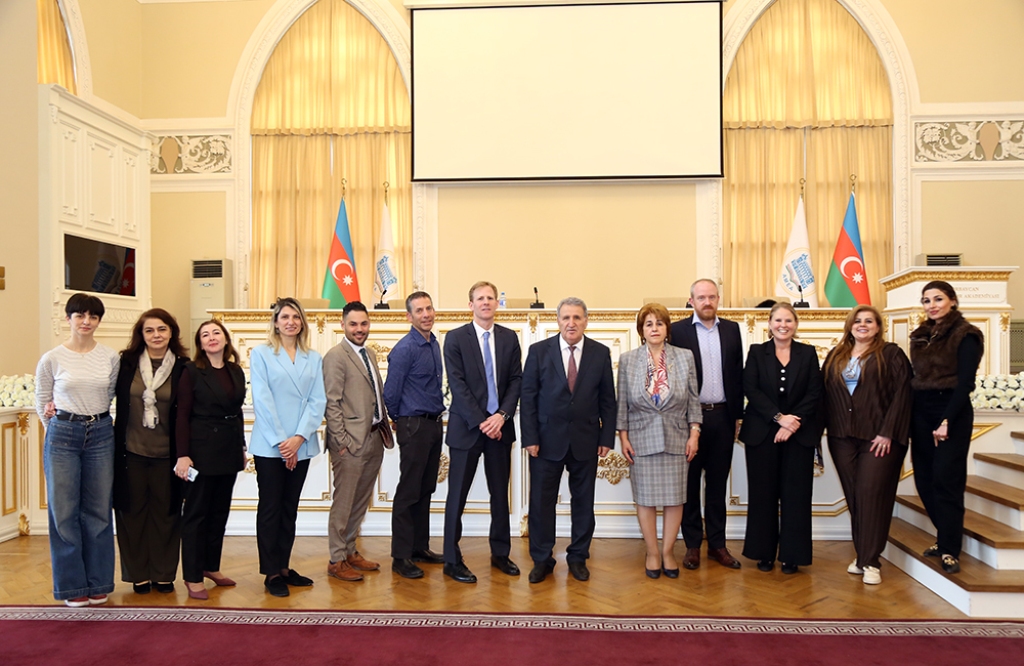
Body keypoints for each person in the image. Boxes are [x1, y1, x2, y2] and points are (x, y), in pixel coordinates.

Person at [520, 297, 616, 583]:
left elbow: (607, 400)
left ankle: (578, 557)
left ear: (586, 321)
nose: (571, 323)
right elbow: (528, 398)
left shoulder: (600, 353)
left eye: (577, 317)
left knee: (583, 503)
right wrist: (530, 437)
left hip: (586, 440)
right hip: (545, 441)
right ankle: (542, 559)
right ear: (558, 321)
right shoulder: (539, 351)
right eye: (566, 318)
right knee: (541, 504)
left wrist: (606, 437)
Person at [35, 293, 120, 606]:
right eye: (80, 315)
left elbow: (110, 395)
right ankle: (72, 587)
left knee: (98, 510)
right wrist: (55, 430)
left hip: (101, 433)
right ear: (68, 318)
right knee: (64, 511)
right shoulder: (52, 358)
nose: (86, 322)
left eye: (93, 316)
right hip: (62, 434)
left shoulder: (110, 357)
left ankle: (99, 582)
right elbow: (42, 400)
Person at [822, 305, 912, 585]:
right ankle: (863, 555)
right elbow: (823, 394)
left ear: (878, 327)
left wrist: (888, 432)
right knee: (855, 498)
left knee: (872, 495)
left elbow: (903, 394)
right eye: (858, 320)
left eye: (869, 321)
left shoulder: (891, 354)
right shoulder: (836, 355)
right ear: (850, 325)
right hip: (841, 437)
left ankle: (871, 562)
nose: (863, 325)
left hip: (879, 439)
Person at [442, 281, 523, 583]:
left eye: (490, 298)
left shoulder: (509, 338)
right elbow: (458, 385)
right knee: (457, 496)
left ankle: (500, 553)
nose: (486, 302)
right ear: (471, 305)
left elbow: (516, 380)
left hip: (500, 429)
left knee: (500, 495)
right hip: (467, 429)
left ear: (496, 304)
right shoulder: (455, 338)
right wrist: (483, 421)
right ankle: (451, 559)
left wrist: (501, 416)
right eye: (480, 298)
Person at [249, 297, 327, 597]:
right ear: (276, 322)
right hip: (271, 446)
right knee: (270, 507)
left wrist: (298, 438)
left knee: (289, 508)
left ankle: (283, 566)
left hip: (301, 444)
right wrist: (285, 443)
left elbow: (318, 400)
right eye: (285, 317)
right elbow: (262, 399)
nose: (291, 322)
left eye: (296, 317)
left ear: (302, 323)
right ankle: (271, 572)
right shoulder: (261, 354)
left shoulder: (313, 357)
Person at [617, 303, 701, 578]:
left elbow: (693, 400)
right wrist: (623, 437)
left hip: (677, 437)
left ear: (667, 328)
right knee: (645, 499)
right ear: (641, 330)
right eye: (649, 324)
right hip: (640, 438)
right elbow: (622, 403)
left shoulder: (685, 357)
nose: (654, 328)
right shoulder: (628, 360)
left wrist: (694, 434)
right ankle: (652, 552)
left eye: (659, 323)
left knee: (675, 499)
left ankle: (668, 552)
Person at [739, 303, 823, 575]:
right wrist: (778, 418)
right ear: (769, 323)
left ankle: (792, 555)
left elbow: (815, 392)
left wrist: (793, 422)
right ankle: (763, 552)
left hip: (798, 435)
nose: (783, 325)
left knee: (796, 496)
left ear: (795, 324)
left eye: (788, 320)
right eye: (778, 320)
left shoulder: (808, 353)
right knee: (763, 495)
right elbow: (750, 388)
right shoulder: (756, 352)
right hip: (762, 433)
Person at [669, 279, 745, 570]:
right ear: (691, 301)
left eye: (711, 297)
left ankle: (717, 545)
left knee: (716, 485)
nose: (707, 302)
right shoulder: (677, 331)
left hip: (723, 418)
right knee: (688, 485)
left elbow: (736, 374)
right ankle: (692, 545)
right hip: (689, 421)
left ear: (718, 299)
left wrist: (737, 416)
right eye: (701, 297)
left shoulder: (731, 329)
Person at [909, 280, 983, 575]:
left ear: (952, 300)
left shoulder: (966, 334)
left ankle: (951, 548)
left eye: (938, 299)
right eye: (926, 300)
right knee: (924, 479)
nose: (932, 305)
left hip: (951, 410)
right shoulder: (920, 335)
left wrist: (946, 420)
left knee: (946, 480)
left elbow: (965, 384)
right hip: (921, 410)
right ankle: (944, 537)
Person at [113, 309, 189, 595]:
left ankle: (163, 573)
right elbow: (101, 392)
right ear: (141, 335)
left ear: (171, 332)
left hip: (168, 456)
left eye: (162, 329)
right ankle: (138, 575)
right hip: (130, 452)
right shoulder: (126, 363)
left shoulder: (184, 367)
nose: (156, 335)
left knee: (167, 515)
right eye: (149, 330)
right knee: (131, 515)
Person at [175, 319, 247, 600]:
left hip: (229, 449)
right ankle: (193, 576)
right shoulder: (191, 371)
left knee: (219, 512)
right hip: (200, 450)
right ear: (200, 344)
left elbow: (237, 412)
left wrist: (242, 447)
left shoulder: (235, 370)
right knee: (196, 514)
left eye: (216, 332)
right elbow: (182, 414)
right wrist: (183, 455)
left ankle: (210, 566)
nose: (211, 337)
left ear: (226, 339)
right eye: (205, 334)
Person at [323, 301, 395, 583]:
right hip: (350, 444)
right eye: (353, 324)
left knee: (360, 501)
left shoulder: (369, 354)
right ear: (342, 325)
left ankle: (350, 551)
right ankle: (336, 559)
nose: (359, 329)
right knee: (344, 503)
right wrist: (342, 441)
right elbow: (331, 403)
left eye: (363, 323)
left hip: (374, 438)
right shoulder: (335, 357)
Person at [383, 291, 447, 579]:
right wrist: (402, 421)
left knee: (425, 489)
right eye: (419, 310)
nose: (426, 314)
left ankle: (420, 547)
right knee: (409, 491)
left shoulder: (434, 344)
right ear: (409, 316)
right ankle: (401, 556)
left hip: (434, 425)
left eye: (429, 308)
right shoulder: (405, 349)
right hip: (414, 425)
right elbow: (390, 393)